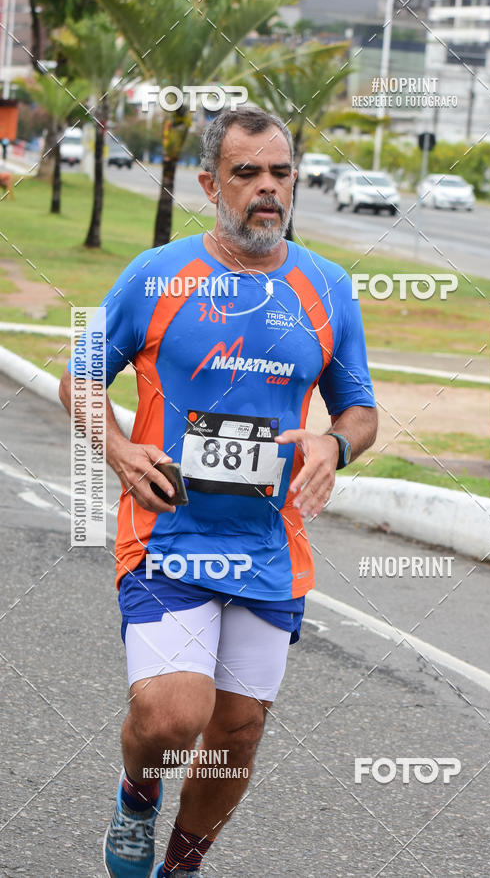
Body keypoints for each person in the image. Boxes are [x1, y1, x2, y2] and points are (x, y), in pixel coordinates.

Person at [59, 105, 377, 877]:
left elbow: (360, 411)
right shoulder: (158, 275)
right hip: (168, 533)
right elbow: (81, 376)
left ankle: (181, 865)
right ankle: (138, 796)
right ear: (210, 183)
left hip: (269, 544)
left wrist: (333, 445)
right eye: (247, 173)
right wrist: (121, 448)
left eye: (280, 172)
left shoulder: (326, 287)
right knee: (173, 716)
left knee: (236, 733)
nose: (268, 189)